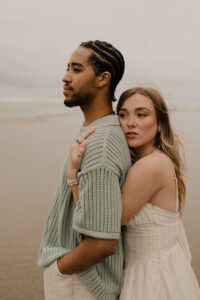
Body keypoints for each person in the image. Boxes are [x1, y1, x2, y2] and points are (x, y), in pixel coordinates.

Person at [68, 87, 200, 300]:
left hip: (151, 278)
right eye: (123, 114)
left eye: (141, 114)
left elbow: (100, 223)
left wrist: (73, 175)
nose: (130, 122)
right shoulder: (153, 161)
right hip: (158, 267)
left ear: (159, 124)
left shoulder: (150, 166)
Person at [37, 40, 132, 300]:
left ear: (103, 78)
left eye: (77, 69)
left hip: (81, 283)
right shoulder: (99, 130)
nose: (65, 77)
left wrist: (60, 268)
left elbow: (103, 243)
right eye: (67, 68)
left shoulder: (100, 143)